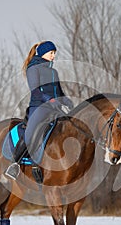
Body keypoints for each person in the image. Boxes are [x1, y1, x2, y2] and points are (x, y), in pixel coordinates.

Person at [5, 41, 74, 180]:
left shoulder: (54, 72)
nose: (53, 56)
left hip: (55, 108)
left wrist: (66, 100)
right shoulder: (33, 68)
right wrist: (51, 100)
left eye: (54, 53)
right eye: (51, 53)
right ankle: (15, 164)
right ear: (42, 53)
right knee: (30, 133)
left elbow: (59, 92)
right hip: (39, 107)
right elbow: (35, 91)